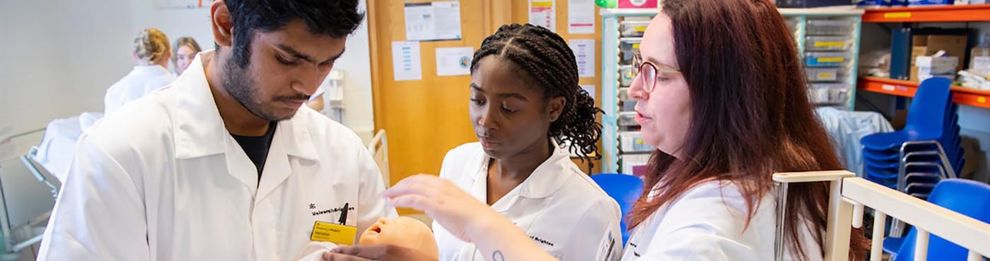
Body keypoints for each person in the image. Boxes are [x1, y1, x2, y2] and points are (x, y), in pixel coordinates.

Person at [355, 0, 870, 260]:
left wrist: (487, 227)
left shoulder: (711, 222)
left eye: (657, 73)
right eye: (477, 99)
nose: (634, 91)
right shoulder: (696, 178)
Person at [38, 0, 395, 260]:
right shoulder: (119, 154)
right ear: (224, 25)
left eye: (327, 62)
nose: (309, 85)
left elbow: (388, 244)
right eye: (287, 59)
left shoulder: (342, 152)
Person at [327, 24, 622, 261]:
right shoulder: (458, 163)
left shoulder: (589, 210)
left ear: (553, 108)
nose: (485, 120)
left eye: (508, 108)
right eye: (477, 100)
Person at [103, 28, 176, 115]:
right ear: (168, 55)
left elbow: (110, 127)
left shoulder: (115, 91)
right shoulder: (177, 87)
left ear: (134, 55)